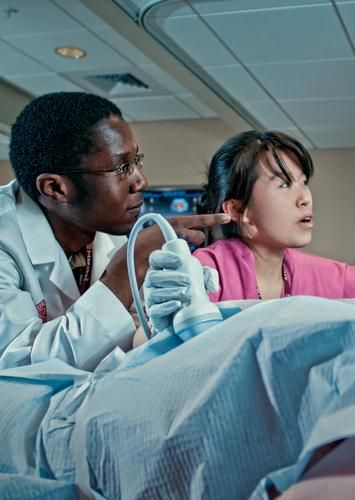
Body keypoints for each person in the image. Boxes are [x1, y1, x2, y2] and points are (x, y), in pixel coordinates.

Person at [0, 91, 229, 371]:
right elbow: (19, 366)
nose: (141, 181)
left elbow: (130, 339)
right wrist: (127, 267)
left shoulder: (106, 227)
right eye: (121, 168)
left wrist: (167, 313)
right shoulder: (6, 239)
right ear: (55, 188)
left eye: (136, 161)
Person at [192, 130, 355, 301]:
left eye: (304, 182)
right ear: (238, 210)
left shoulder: (320, 274)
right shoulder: (203, 271)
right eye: (284, 184)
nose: (305, 198)